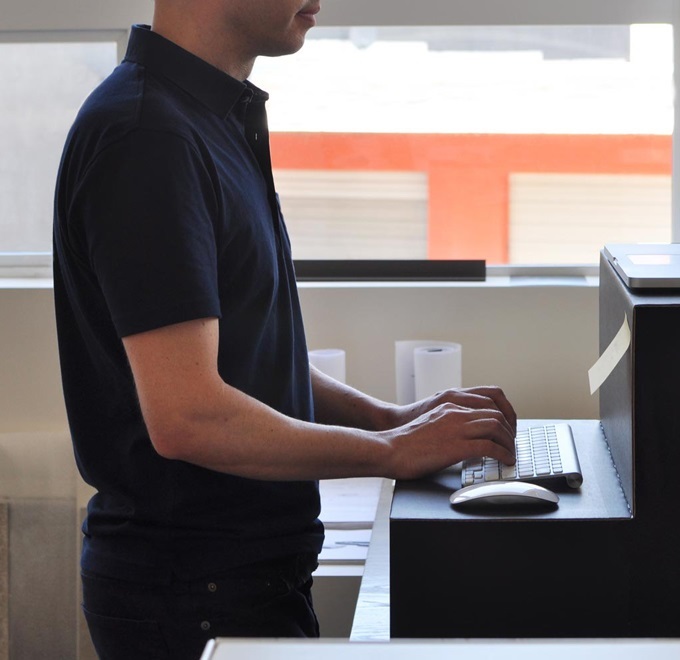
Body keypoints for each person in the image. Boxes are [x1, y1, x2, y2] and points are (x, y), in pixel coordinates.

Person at [52, 1, 517, 658]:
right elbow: (188, 415)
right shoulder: (147, 137)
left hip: (237, 581)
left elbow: (248, 351)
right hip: (191, 594)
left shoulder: (207, 117)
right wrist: (387, 452)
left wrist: (388, 418)